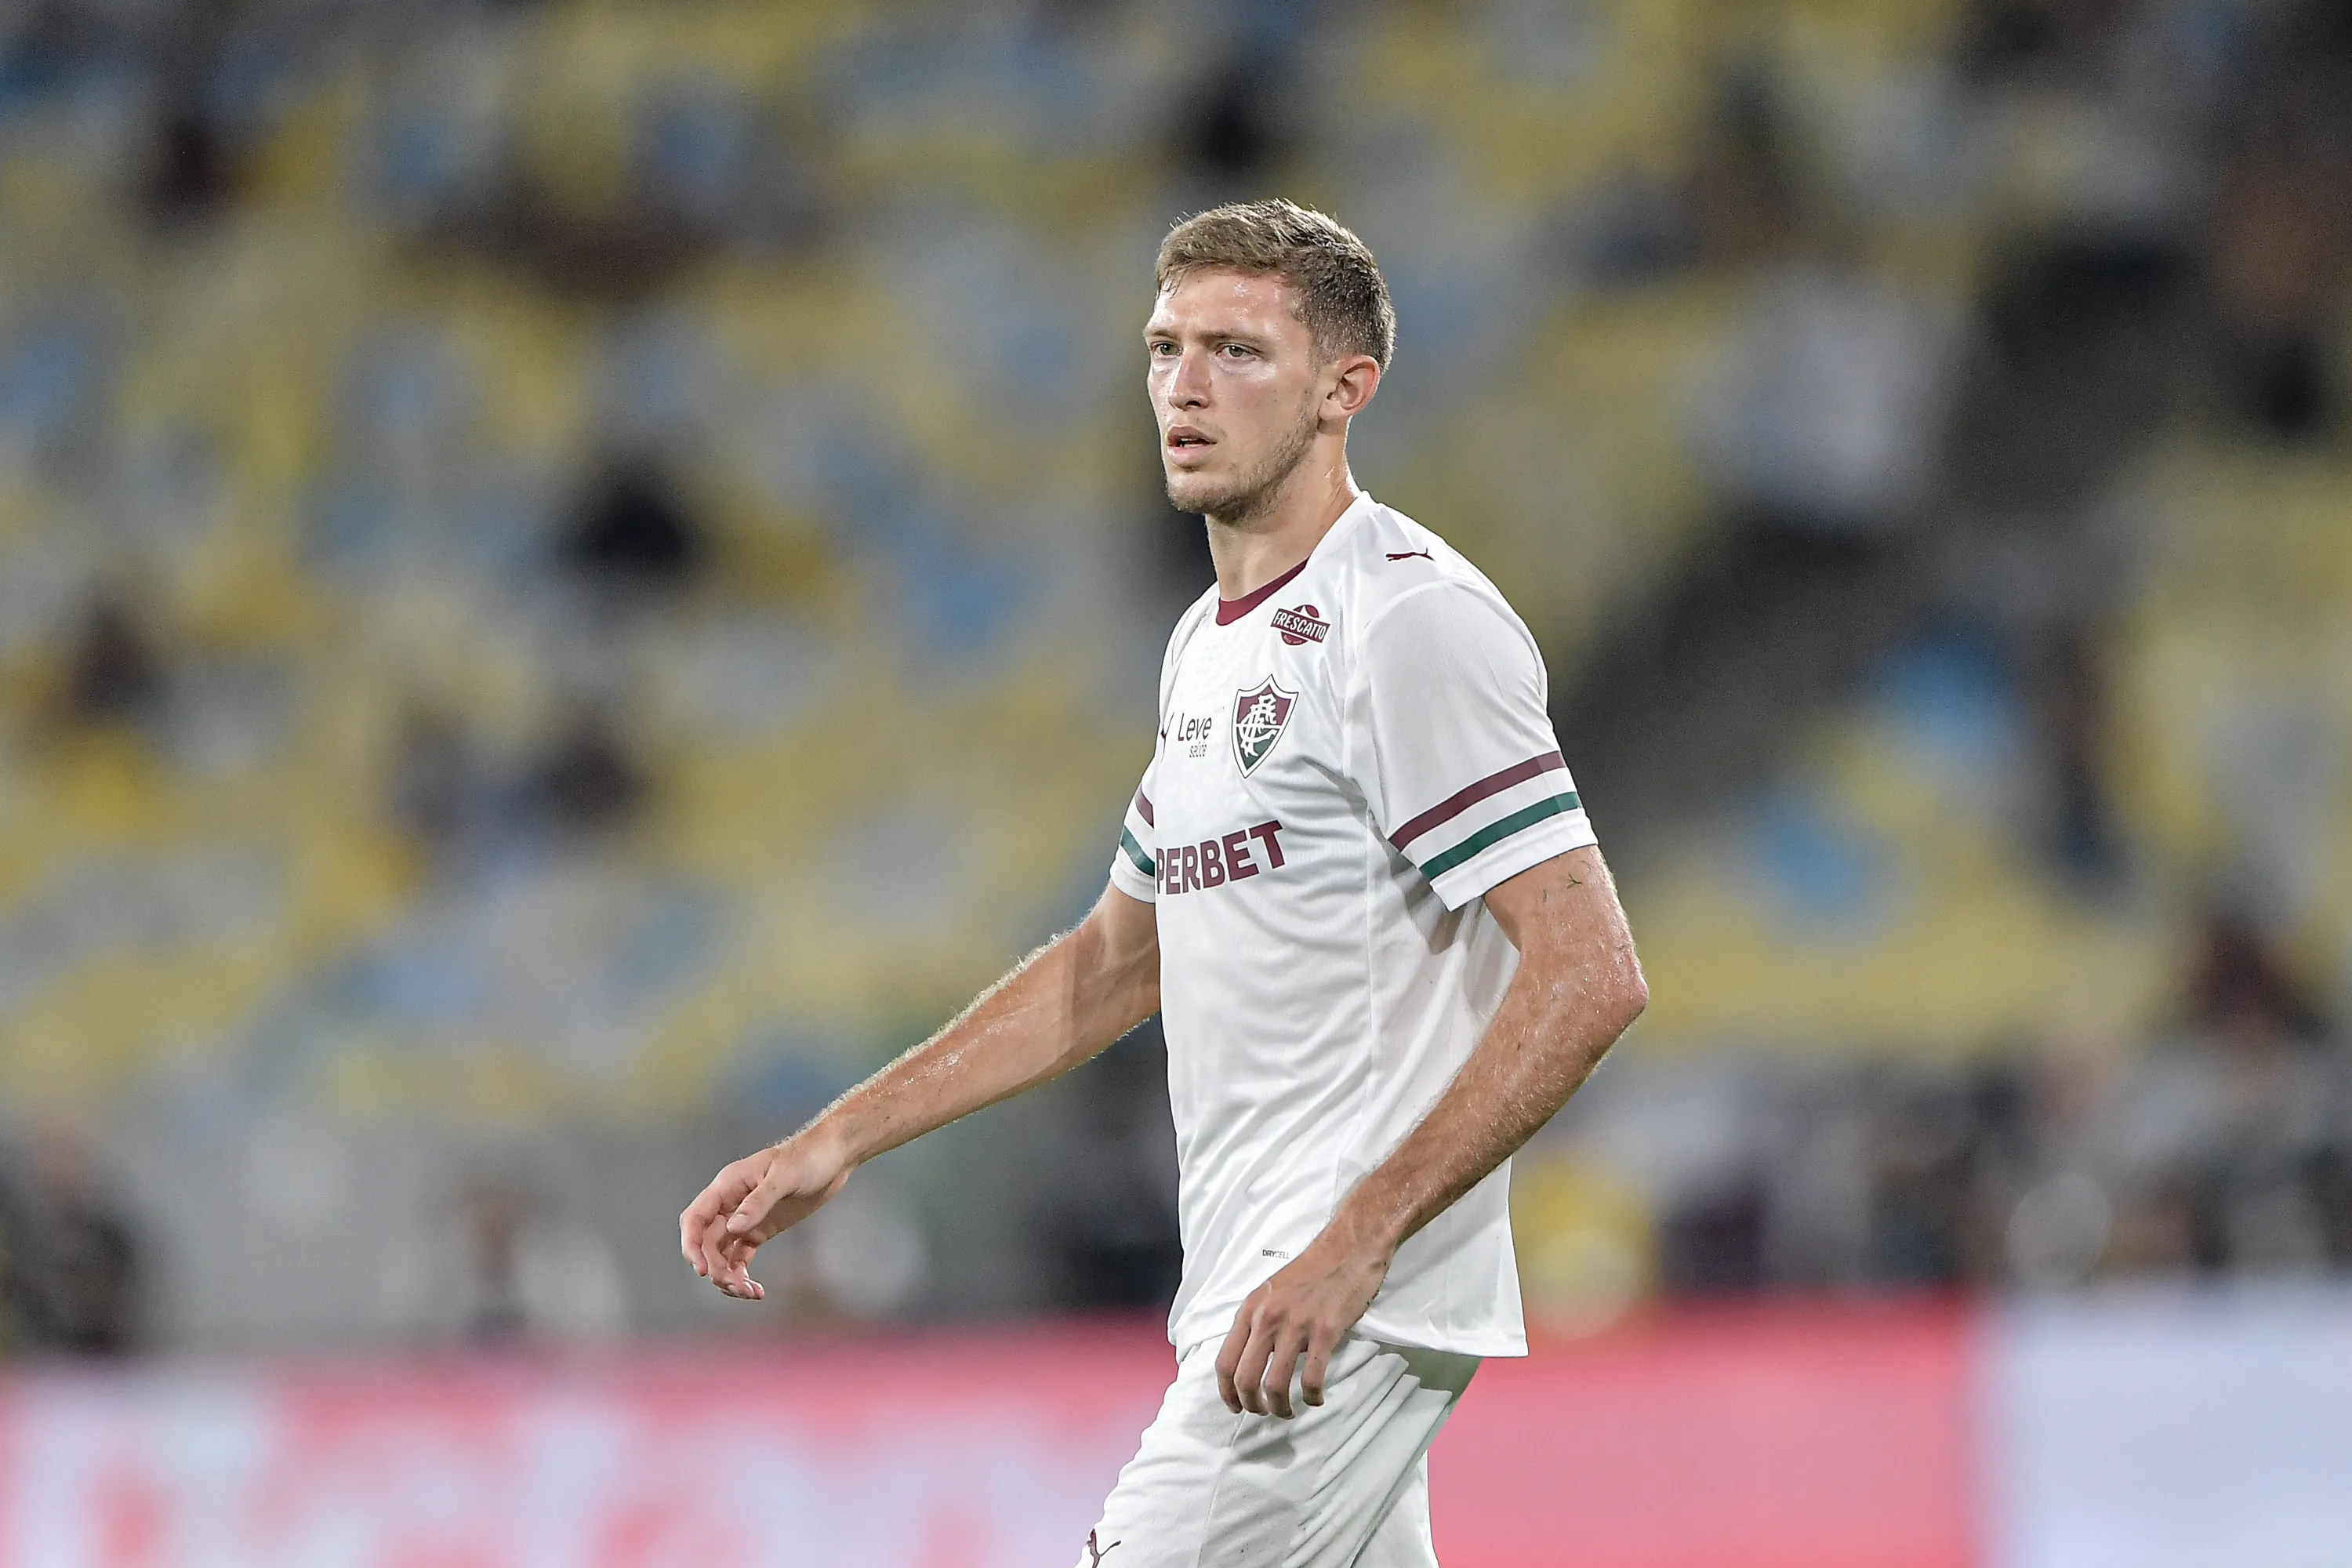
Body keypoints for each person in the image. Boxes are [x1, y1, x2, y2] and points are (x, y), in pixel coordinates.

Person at [680, 199, 1647, 1566]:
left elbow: (1591, 970)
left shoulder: (1406, 621)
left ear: (1344, 390)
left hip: (1335, 1307)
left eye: (1237, 352)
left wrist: (1357, 1240)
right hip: (1267, 1299)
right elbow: (1114, 962)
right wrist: (837, 1139)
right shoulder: (1208, 645)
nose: (1185, 387)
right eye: (1164, 348)